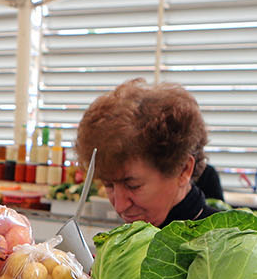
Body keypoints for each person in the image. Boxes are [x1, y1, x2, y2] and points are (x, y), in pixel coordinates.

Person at [75, 79, 220, 227]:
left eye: (133, 185)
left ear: (183, 170)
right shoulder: (135, 234)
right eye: (109, 185)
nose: (119, 206)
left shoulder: (223, 239)